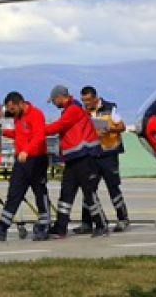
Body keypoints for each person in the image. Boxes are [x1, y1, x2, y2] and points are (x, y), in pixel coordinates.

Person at [0, 91, 51, 241]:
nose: (11, 113)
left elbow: (39, 136)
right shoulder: (18, 117)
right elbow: (20, 134)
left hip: (36, 159)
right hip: (21, 160)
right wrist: (3, 132)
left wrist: (27, 150)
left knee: (40, 193)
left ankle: (45, 225)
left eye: (12, 109)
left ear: (20, 103)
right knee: (14, 193)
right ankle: (2, 227)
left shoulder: (36, 114)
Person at [45, 85, 109, 238]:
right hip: (73, 159)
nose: (54, 103)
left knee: (89, 193)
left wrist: (39, 129)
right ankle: (60, 228)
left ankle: (101, 224)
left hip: (84, 158)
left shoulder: (73, 109)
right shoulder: (68, 110)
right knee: (66, 193)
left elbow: (59, 126)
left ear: (60, 97)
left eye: (54, 100)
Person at [73, 86, 130, 235]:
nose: (85, 104)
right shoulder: (82, 112)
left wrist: (109, 130)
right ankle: (86, 223)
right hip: (92, 155)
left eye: (88, 100)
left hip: (109, 155)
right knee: (89, 190)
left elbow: (122, 127)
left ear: (95, 98)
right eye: (83, 101)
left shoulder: (111, 108)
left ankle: (122, 219)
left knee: (113, 188)